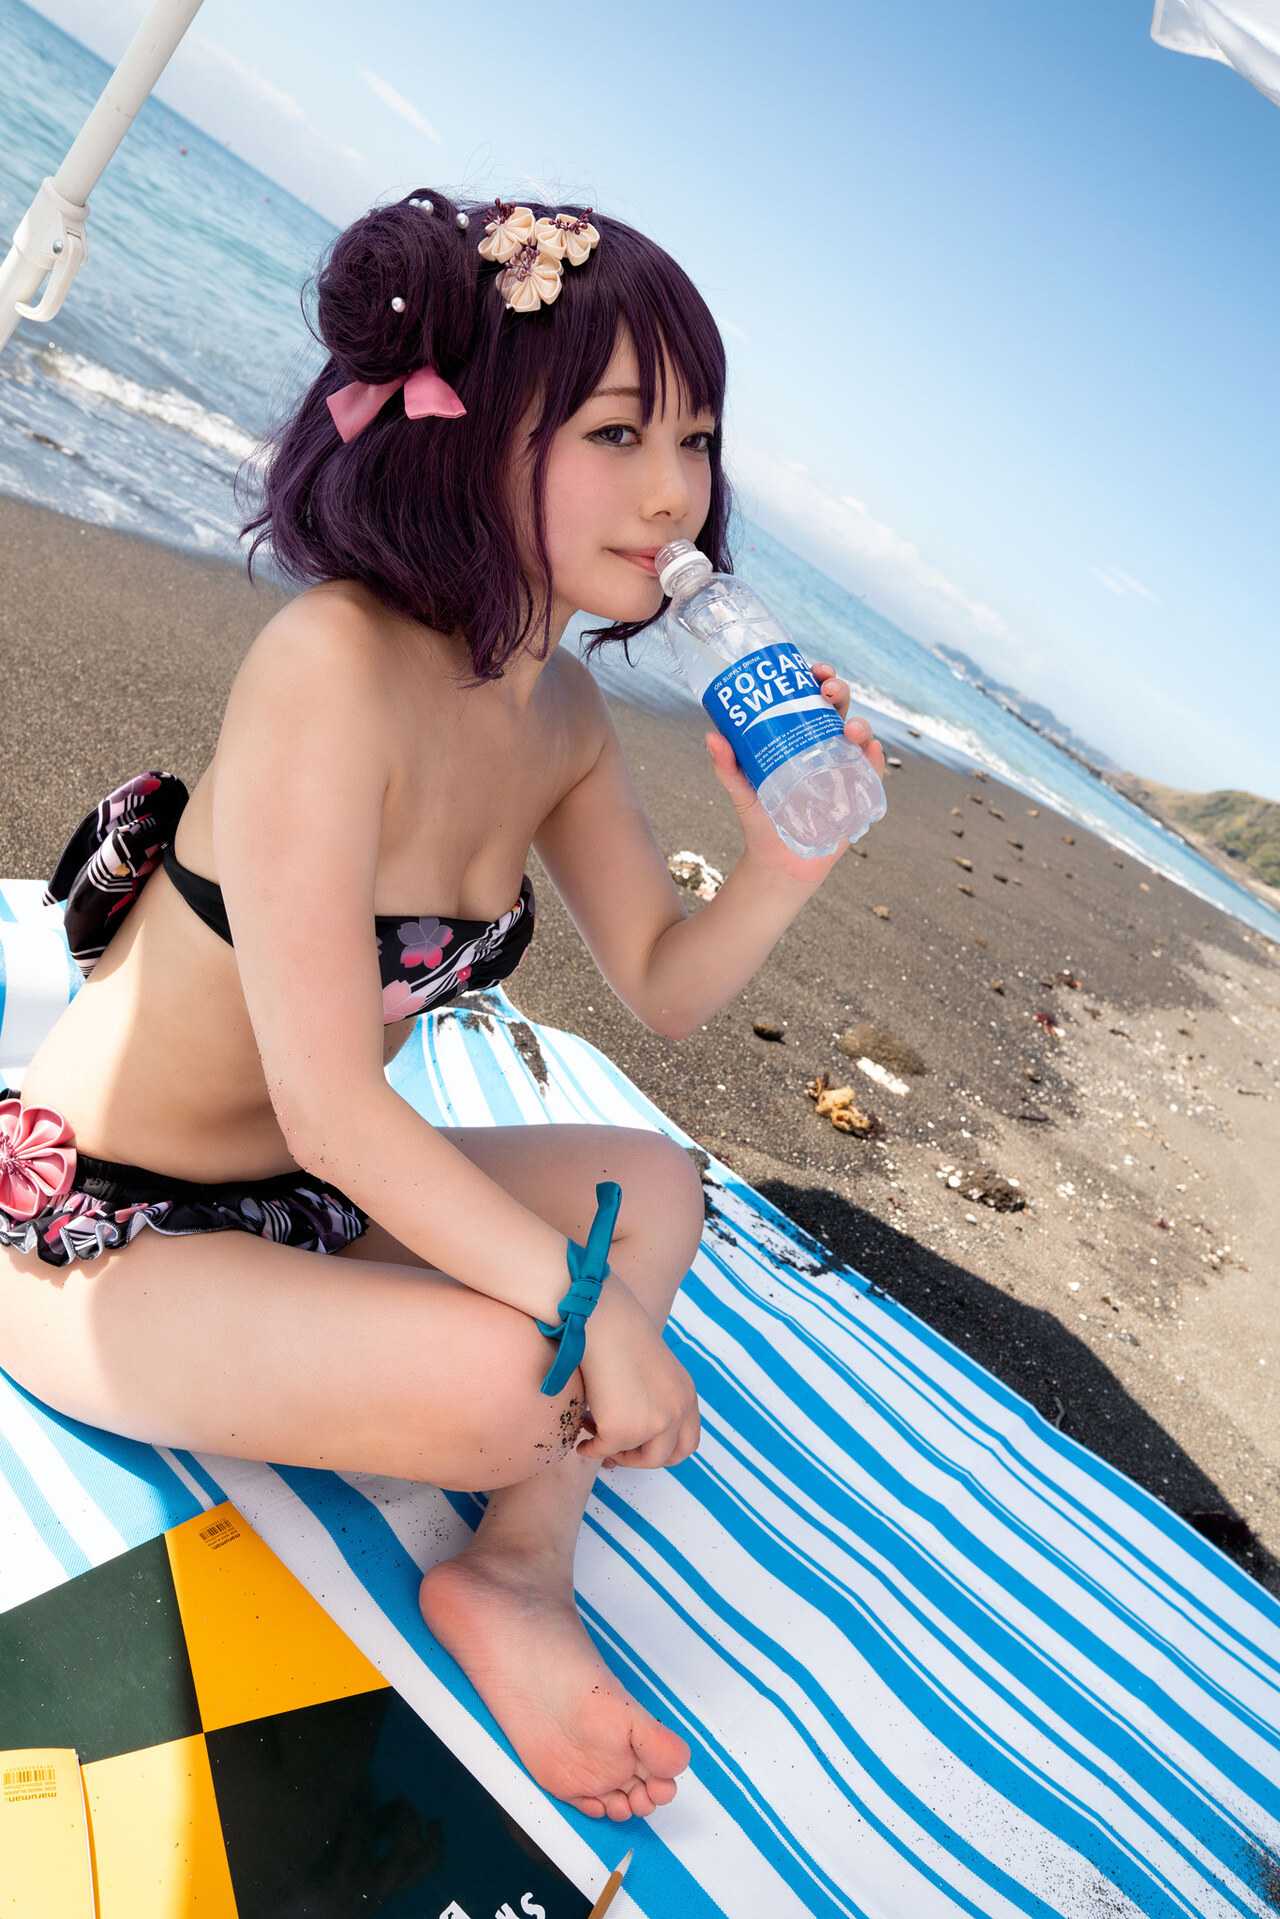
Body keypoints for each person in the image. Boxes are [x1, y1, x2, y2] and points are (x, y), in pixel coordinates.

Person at [0, 189, 885, 1822]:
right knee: (522, 1378)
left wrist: (784, 860)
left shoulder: (560, 714)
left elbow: (663, 986)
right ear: (471, 430)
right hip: (97, 1229)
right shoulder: (332, 663)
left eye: (696, 439)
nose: (674, 489)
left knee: (655, 1183)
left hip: (302, 1206)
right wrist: (590, 1316)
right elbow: (336, 1103)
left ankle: (518, 1572)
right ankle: (518, 1478)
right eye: (617, 431)